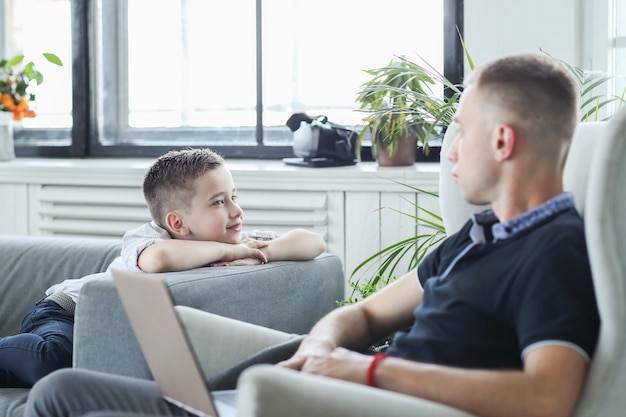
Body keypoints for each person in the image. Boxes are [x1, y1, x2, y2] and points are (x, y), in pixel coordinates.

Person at [25, 53, 599, 417]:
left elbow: (546, 398)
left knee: (63, 396)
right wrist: (323, 347)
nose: (449, 152)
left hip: (363, 400)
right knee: (61, 392)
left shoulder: (556, 250)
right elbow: (368, 316)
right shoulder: (475, 239)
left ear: (502, 143)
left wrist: (366, 370)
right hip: (323, 391)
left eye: (461, 134)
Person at [0, 148, 326, 388]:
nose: (236, 210)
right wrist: (235, 249)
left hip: (117, 335)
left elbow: (313, 242)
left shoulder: (238, 243)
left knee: (77, 376)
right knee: (52, 360)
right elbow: (159, 261)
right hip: (69, 313)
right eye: (218, 202)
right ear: (177, 223)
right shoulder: (148, 239)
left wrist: (256, 250)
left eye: (234, 196)